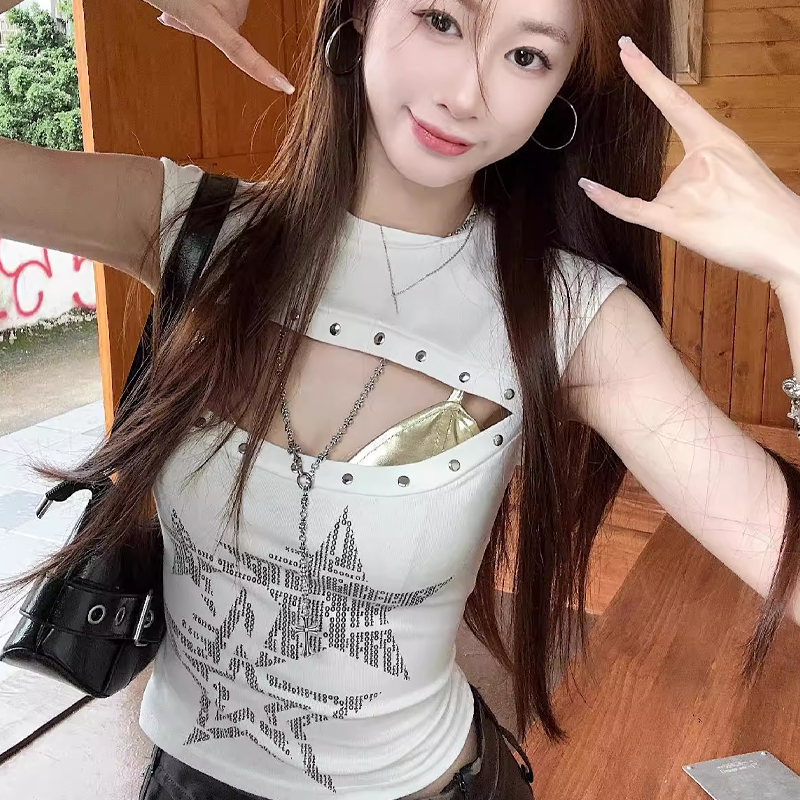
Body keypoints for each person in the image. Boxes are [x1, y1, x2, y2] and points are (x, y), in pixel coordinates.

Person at [1, 0, 800, 798]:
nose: (466, 94)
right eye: (441, 20)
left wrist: (794, 261)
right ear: (359, 14)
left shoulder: (573, 318)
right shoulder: (191, 227)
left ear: (561, 92)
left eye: (527, 57)